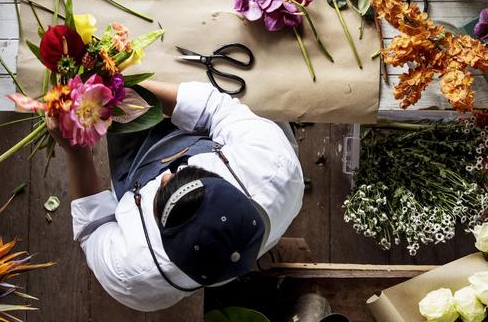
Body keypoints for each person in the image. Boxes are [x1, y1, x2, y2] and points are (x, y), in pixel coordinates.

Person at [55, 80, 304, 311]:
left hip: (137, 167)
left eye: (161, 192)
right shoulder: (274, 166)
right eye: (186, 174)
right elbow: (216, 108)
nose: (165, 176)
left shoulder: (132, 275)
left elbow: (92, 227)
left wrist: (75, 151)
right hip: (210, 138)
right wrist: (125, 87)